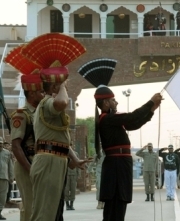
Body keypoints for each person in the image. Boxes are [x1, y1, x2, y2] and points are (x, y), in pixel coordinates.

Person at [78, 57, 163, 221]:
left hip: (119, 166)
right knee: (114, 208)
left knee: (119, 205)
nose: (116, 102)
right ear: (105, 103)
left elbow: (134, 124)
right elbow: (132, 117)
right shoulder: (108, 119)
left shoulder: (111, 119)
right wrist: (150, 102)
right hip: (116, 166)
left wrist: (152, 110)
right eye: (113, 100)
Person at [25, 33, 88, 221]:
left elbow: (60, 139)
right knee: (44, 214)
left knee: (51, 213)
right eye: (63, 85)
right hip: (49, 160)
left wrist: (74, 159)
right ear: (53, 87)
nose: (65, 88)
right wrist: (61, 86)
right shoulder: (47, 102)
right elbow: (62, 103)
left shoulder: (48, 105)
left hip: (56, 159)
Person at [5, 45, 44, 221]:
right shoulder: (21, 115)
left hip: (38, 164)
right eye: (41, 91)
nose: (43, 94)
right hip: (26, 164)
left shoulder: (40, 113)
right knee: (30, 207)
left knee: (40, 207)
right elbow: (15, 145)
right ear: (32, 92)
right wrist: (30, 169)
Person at [0, 137, 13, 220]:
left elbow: (10, 166)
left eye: (0, 143)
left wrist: (11, 176)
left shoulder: (7, 153)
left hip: (4, 177)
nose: (0, 145)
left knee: (3, 196)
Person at [64, 145, 79, 210]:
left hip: (73, 174)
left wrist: (78, 174)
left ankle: (71, 204)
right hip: (66, 174)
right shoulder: (64, 153)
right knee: (66, 190)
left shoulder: (76, 154)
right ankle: (67, 204)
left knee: (73, 190)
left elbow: (78, 164)